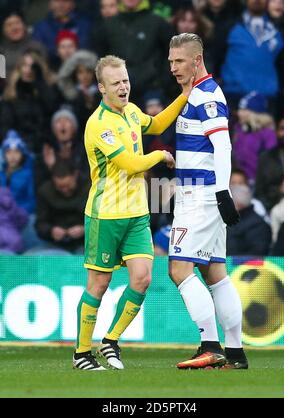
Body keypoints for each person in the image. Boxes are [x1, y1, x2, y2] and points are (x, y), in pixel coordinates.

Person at [73, 54, 192, 371]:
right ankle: (82, 353)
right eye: (116, 83)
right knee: (99, 284)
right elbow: (129, 163)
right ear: (102, 88)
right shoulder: (100, 125)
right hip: (106, 214)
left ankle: (110, 341)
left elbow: (155, 124)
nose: (123, 87)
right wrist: (161, 155)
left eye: (125, 80)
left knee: (142, 279)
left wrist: (183, 96)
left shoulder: (131, 112)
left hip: (138, 212)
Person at [168, 33, 248, 369]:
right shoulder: (195, 93)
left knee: (179, 269)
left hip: (200, 197)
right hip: (200, 196)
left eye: (180, 61)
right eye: (171, 61)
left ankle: (209, 345)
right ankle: (235, 353)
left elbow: (223, 146)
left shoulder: (207, 96)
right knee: (216, 273)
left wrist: (221, 192)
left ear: (197, 60)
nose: (173, 68)